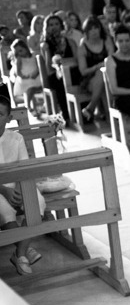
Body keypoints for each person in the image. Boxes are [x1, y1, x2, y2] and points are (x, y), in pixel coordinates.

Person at [0, 96, 45, 275]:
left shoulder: (16, 139)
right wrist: (5, 190)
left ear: (9, 118)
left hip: (17, 184)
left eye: (0, 114)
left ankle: (20, 253)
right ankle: (24, 251)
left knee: (36, 201)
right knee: (5, 211)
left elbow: (24, 168)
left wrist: (19, 189)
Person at [40, 15, 80, 123]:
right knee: (61, 81)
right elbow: (48, 67)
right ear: (47, 28)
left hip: (71, 70)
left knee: (79, 77)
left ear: (61, 26)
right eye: (51, 25)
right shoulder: (46, 44)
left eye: (57, 24)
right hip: (55, 74)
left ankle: (80, 112)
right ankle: (66, 114)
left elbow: (77, 59)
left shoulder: (69, 41)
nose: (54, 27)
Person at [76, 16, 113, 122]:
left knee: (104, 80)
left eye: (96, 28)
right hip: (89, 80)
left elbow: (111, 59)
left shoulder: (106, 41)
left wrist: (104, 66)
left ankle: (93, 109)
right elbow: (83, 71)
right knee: (101, 75)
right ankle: (104, 114)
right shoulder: (82, 47)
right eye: (90, 29)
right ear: (86, 31)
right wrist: (98, 66)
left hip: (109, 76)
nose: (93, 31)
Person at [8, 39, 43, 114]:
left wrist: (36, 73)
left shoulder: (34, 55)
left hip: (35, 75)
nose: (20, 53)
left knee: (42, 83)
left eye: (21, 50)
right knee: (30, 88)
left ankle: (44, 104)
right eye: (17, 52)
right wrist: (25, 76)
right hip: (24, 78)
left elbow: (38, 67)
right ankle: (28, 106)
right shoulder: (19, 59)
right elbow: (18, 72)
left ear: (25, 48)